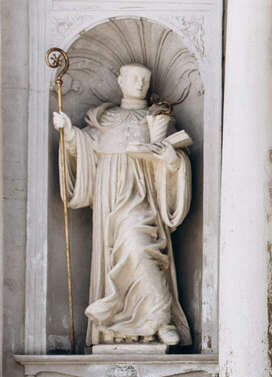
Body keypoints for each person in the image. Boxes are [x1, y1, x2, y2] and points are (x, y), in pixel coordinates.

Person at [52, 63, 192, 348]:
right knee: (119, 256)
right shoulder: (105, 119)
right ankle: (121, 326)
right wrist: (68, 133)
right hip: (109, 200)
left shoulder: (157, 118)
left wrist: (170, 159)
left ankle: (160, 318)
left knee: (140, 249)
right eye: (134, 78)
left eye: (145, 79)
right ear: (120, 80)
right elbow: (85, 151)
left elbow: (176, 166)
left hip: (143, 199)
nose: (140, 83)